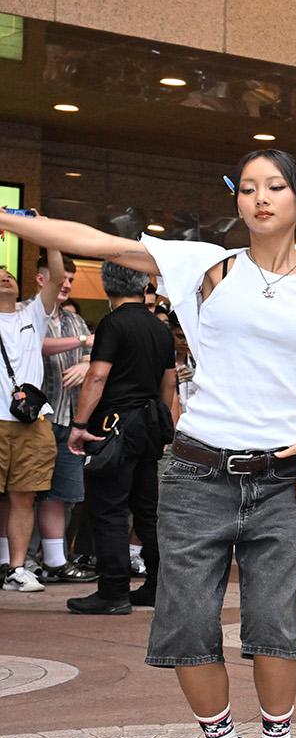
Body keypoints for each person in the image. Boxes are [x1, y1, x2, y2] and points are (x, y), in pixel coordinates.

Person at [4, 150, 296, 738]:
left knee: (272, 619)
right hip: (196, 472)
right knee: (184, 619)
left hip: (281, 481)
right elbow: (100, 242)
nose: (260, 197)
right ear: (237, 202)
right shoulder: (211, 268)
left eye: (275, 187)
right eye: (247, 188)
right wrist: (13, 220)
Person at [65, 262, 175, 615]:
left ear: (106, 285)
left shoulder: (113, 323)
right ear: (142, 285)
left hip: (114, 423)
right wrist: (161, 419)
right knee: (146, 507)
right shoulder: (159, 329)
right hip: (148, 422)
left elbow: (97, 377)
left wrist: (79, 423)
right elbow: (169, 382)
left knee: (109, 507)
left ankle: (113, 590)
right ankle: (158, 584)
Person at [0, 248, 67, 591]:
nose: (4, 275)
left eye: (8, 272)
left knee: (23, 496)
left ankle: (15, 568)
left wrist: (49, 241)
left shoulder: (33, 314)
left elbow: (56, 277)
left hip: (32, 422)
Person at [38, 262, 94, 582]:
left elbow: (97, 349)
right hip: (35, 418)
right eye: (63, 278)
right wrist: (83, 344)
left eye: (72, 279)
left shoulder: (74, 319)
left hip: (70, 417)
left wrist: (87, 363)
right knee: (21, 494)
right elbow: (37, 345)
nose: (67, 284)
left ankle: (55, 562)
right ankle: (15, 562)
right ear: (41, 278)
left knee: (60, 494)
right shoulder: (29, 313)